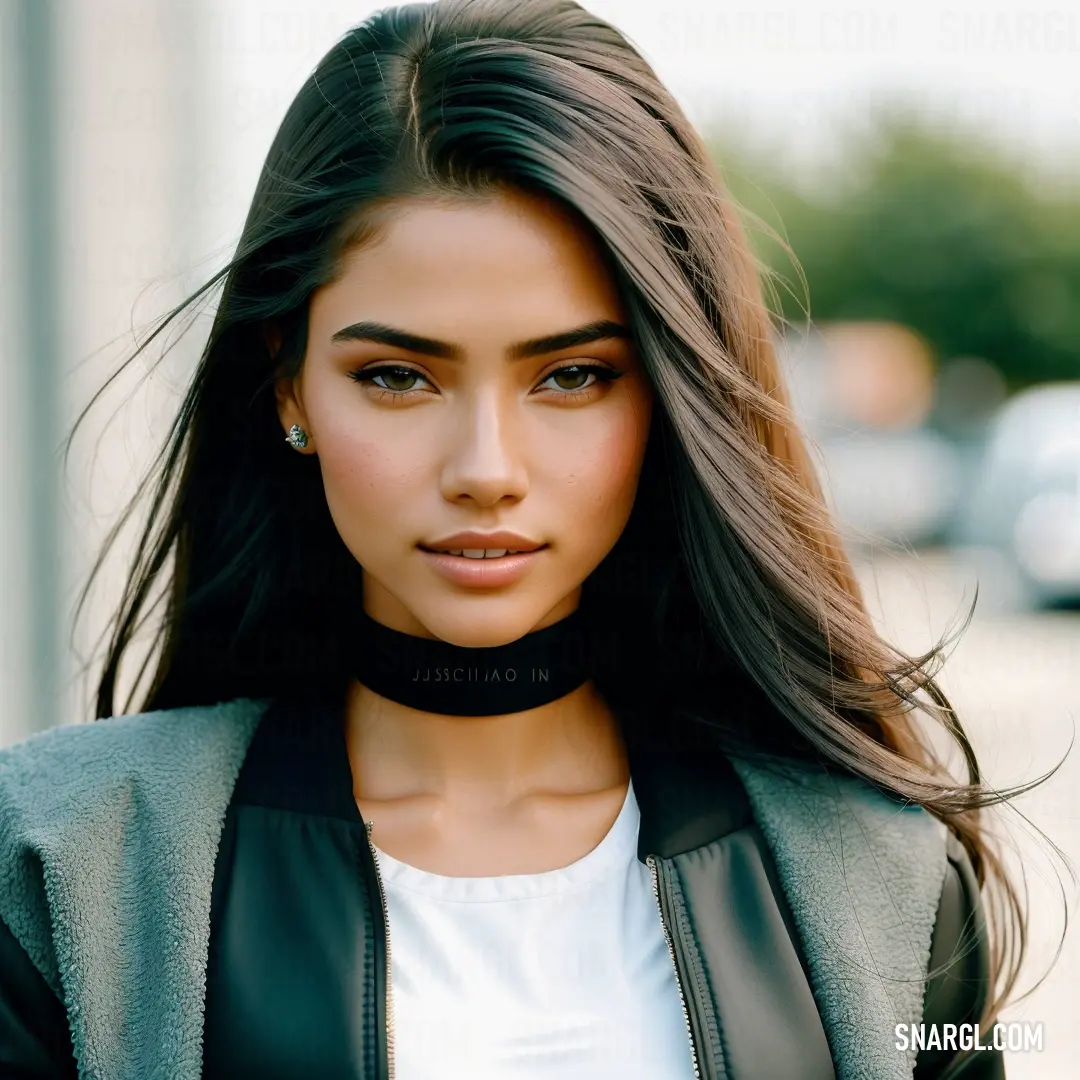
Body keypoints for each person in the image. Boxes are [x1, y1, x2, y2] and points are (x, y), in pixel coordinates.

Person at [0, 1, 1024, 1077]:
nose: (486, 468)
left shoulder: (881, 884)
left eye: (572, 375)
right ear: (288, 386)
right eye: (397, 376)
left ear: (669, 398)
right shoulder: (61, 865)